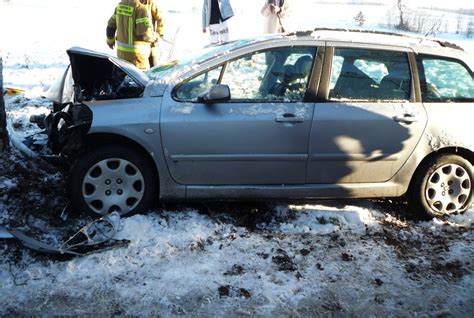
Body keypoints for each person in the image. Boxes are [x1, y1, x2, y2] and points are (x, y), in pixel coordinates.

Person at [106, 0, 159, 69]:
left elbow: (110, 26)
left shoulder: (120, 6)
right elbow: (144, 35)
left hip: (121, 55)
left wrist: (110, 41)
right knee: (139, 78)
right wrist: (156, 37)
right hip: (138, 58)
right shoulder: (141, 9)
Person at [140, 0, 164, 67]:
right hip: (138, 44)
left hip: (150, 42)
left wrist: (159, 34)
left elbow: (160, 19)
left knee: (153, 65)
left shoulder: (150, 3)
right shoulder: (132, 3)